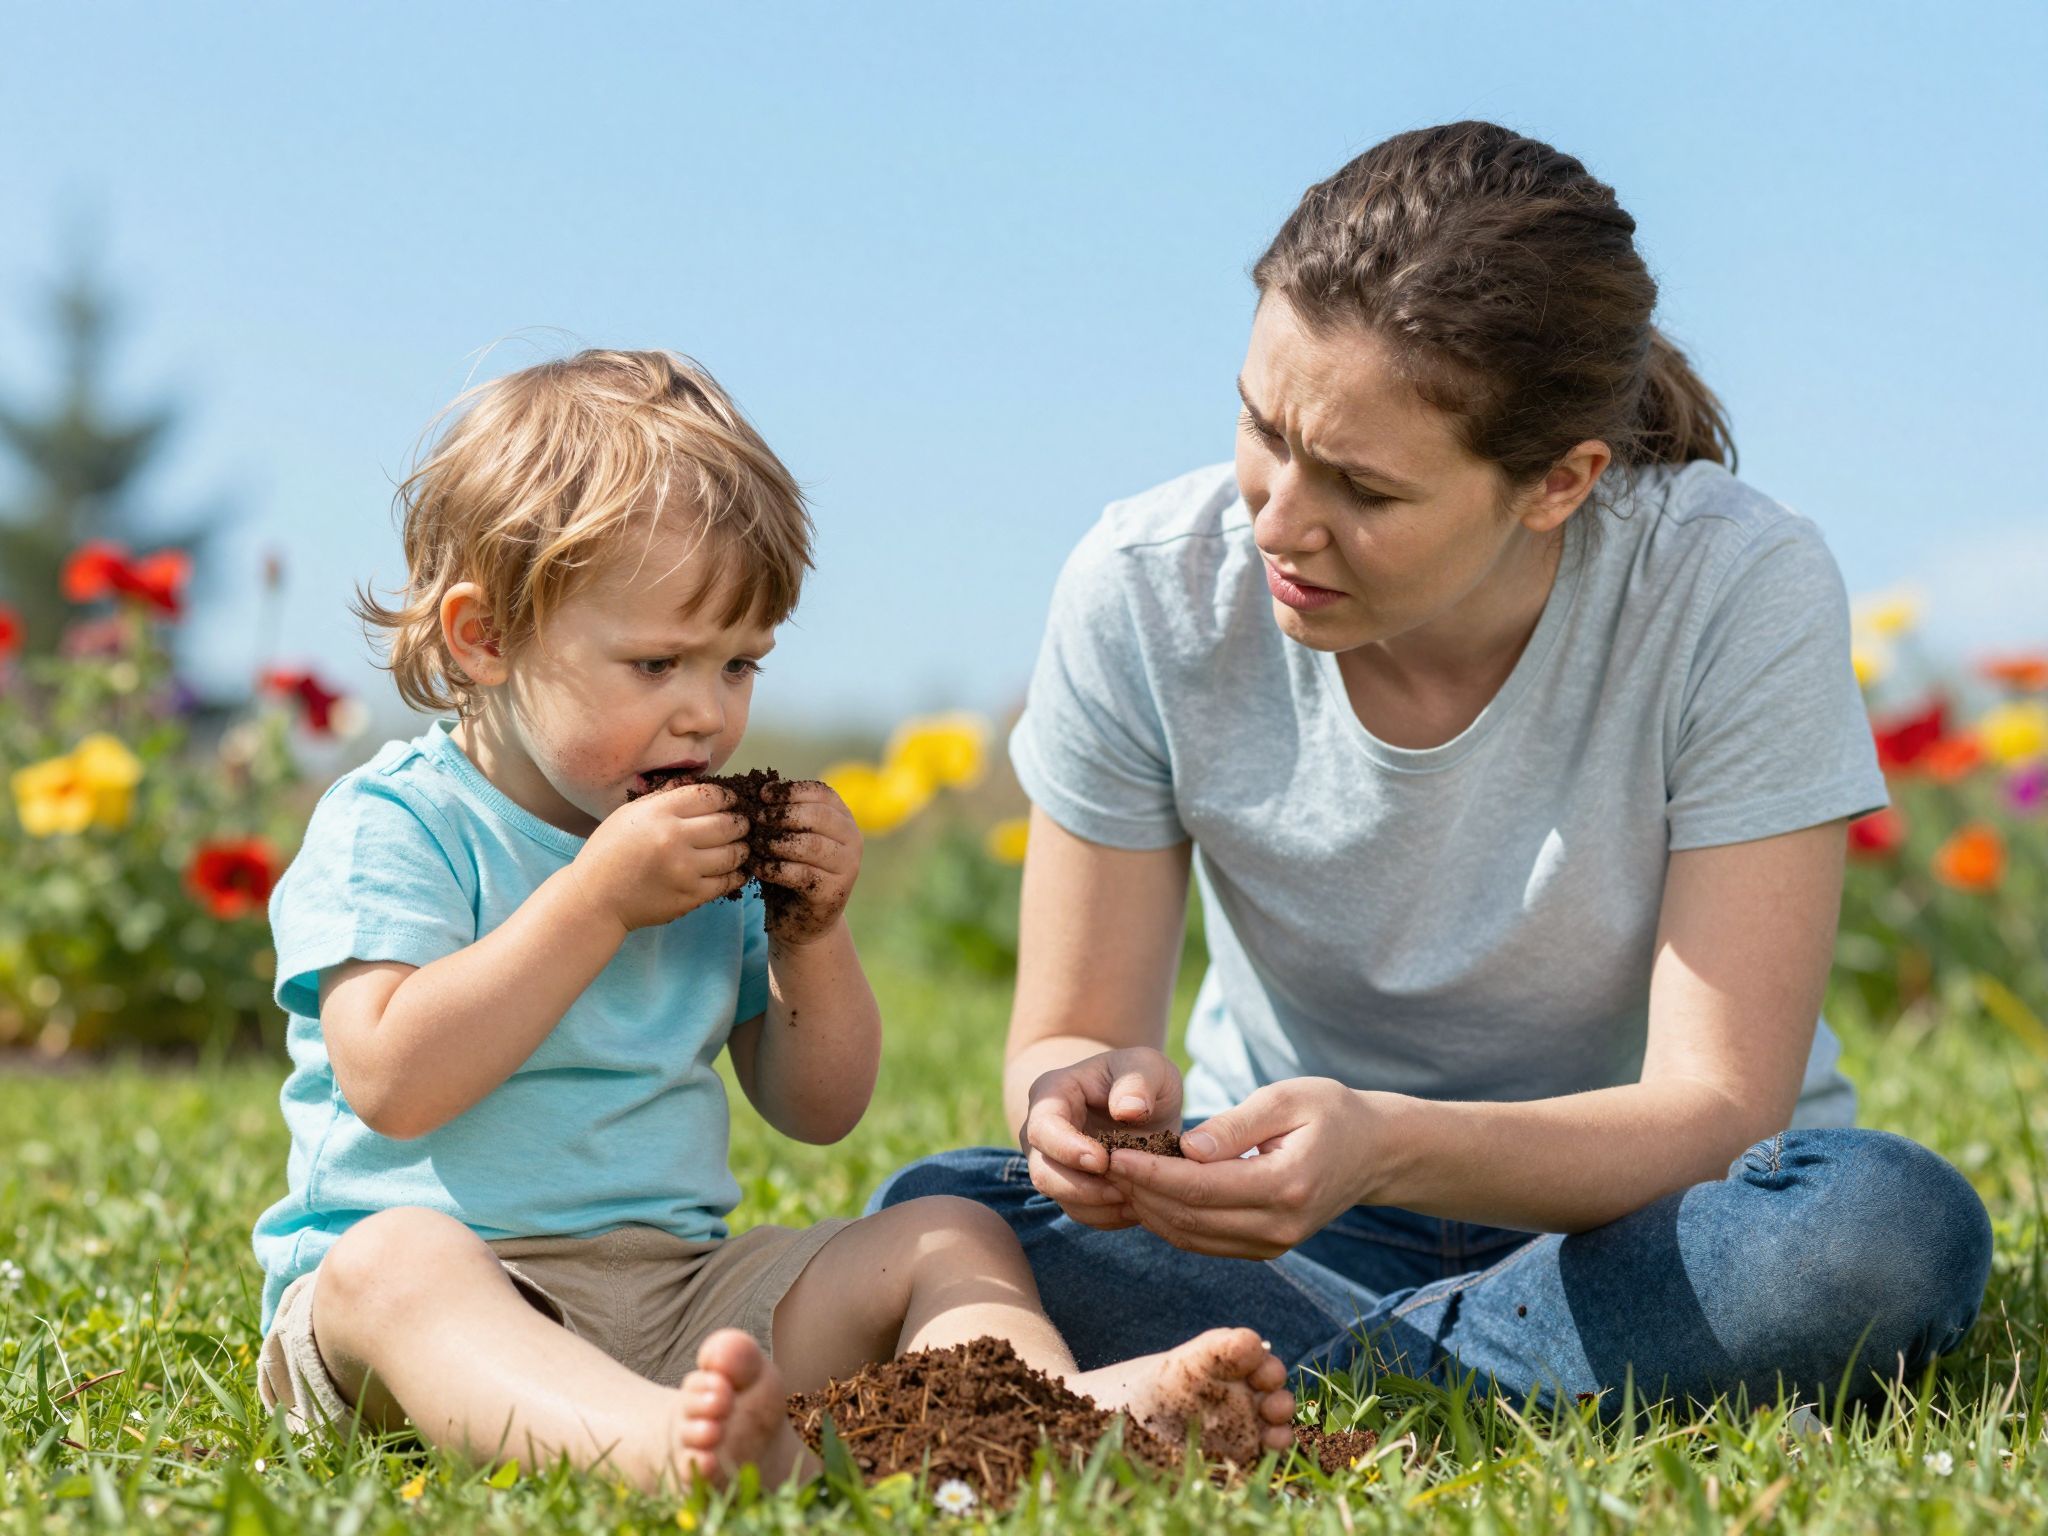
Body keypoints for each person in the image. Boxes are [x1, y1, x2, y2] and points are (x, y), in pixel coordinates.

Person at [872, 123, 1993, 1412]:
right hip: (1274, 1224)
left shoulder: (1730, 588)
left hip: (1651, 1219)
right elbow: (1067, 1030)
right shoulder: (1143, 591)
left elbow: (1716, 1106)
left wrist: (1386, 1144)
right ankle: (1498, 1371)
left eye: (1361, 487)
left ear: (1558, 483)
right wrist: (1074, 1110)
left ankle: (1325, 1372)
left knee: (1873, 1233)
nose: (1277, 521)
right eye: (1261, 427)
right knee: (944, 1213)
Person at [250, 349, 1297, 1490]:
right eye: (655, 663)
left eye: (739, 663)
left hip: (677, 1293)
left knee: (948, 1230)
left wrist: (810, 933)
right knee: (393, 1266)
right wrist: (595, 900)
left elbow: (819, 1109)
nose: (705, 712)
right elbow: (395, 1082)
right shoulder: (397, 824)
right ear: (484, 637)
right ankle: (656, 1455)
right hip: (449, 1312)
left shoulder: (701, 854)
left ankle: (1037, 1417)